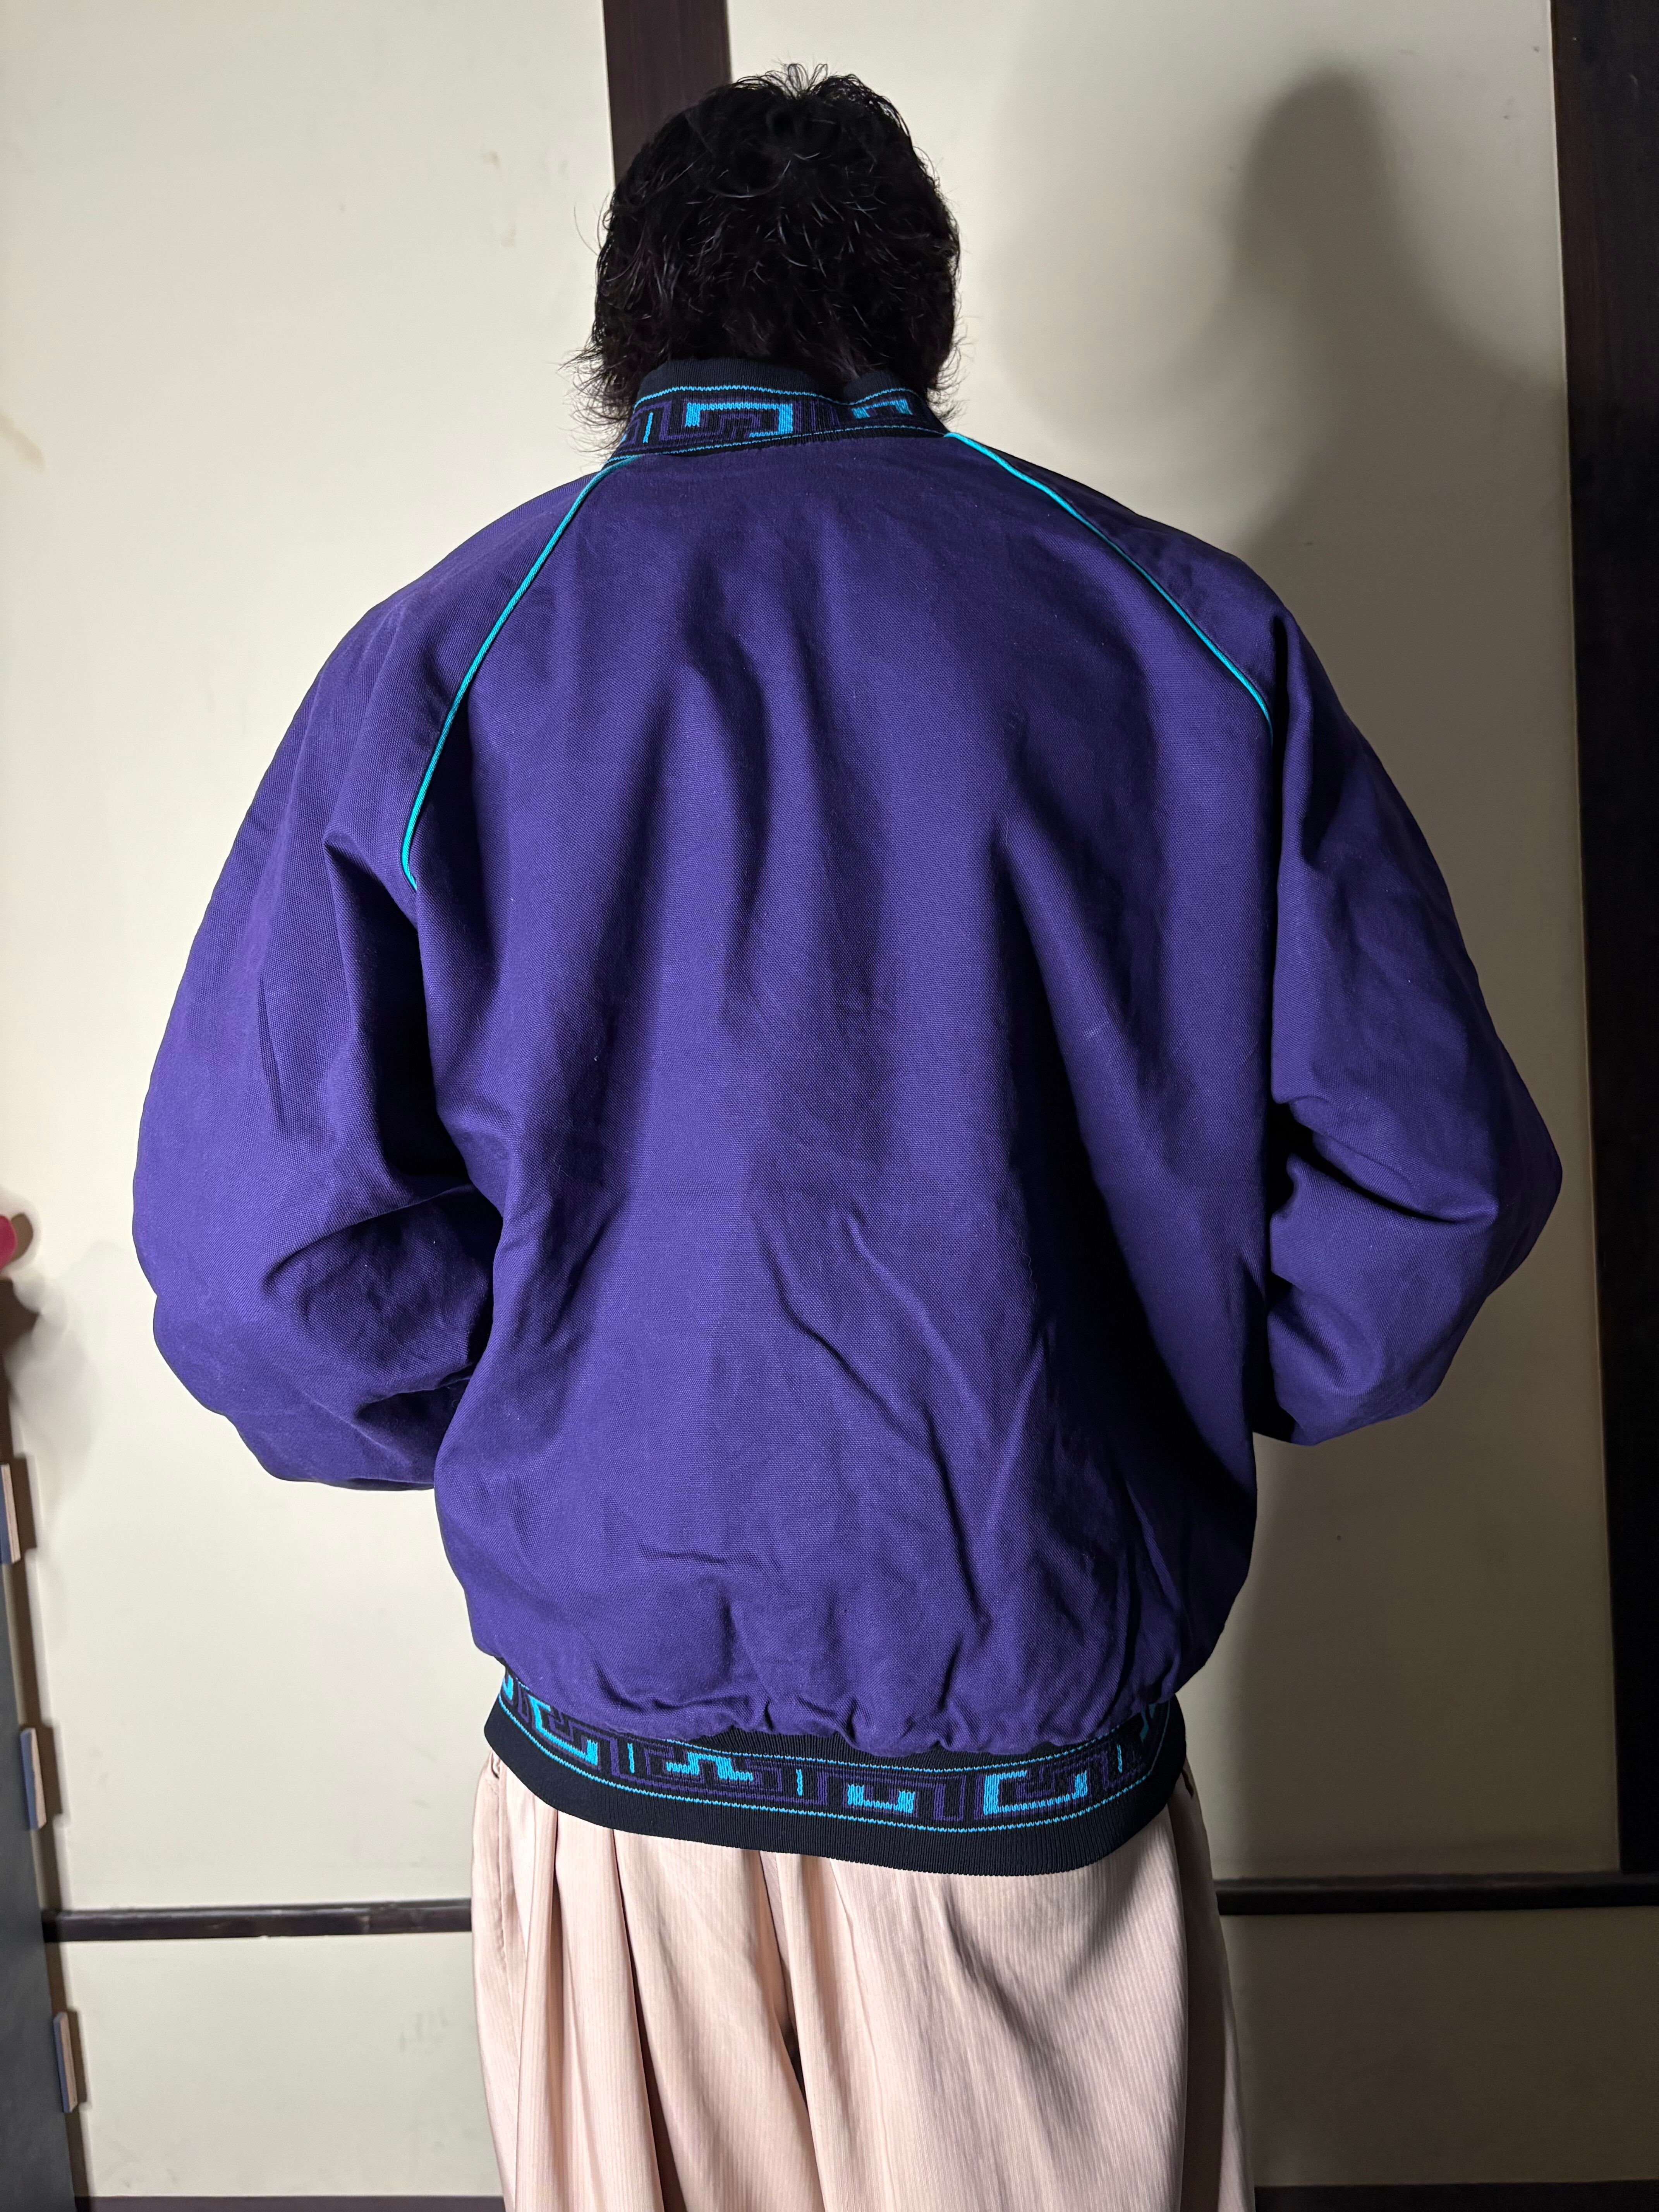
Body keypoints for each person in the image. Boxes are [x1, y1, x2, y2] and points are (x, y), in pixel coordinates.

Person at [132, 65, 1560, 2212]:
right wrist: (1157, 1362)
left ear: (622, 335)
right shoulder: (1183, 631)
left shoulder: (445, 657)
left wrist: (572, 1415)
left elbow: (263, 1267)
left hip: (624, 1782)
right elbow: (1426, 1186)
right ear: (922, 322)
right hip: (1029, 1749)